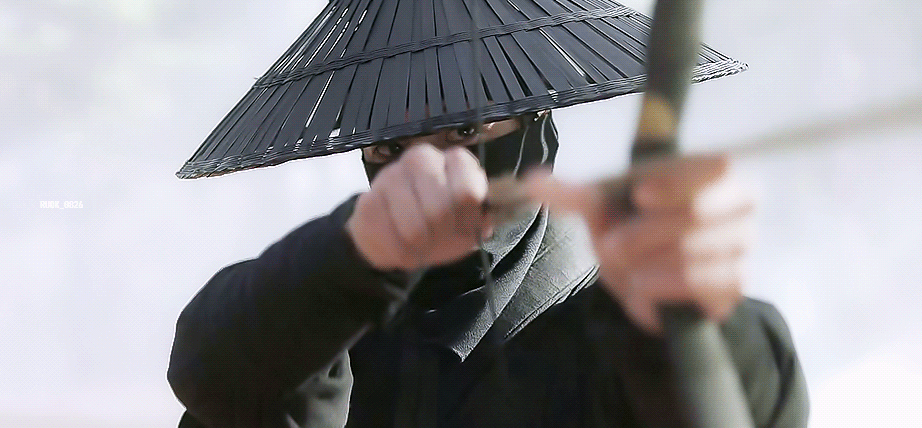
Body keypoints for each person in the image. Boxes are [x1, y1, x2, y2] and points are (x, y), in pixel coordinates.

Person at [168, 110, 808, 427]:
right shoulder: (329, 319)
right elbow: (215, 374)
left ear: (538, 133)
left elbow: (740, 400)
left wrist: (688, 318)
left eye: (464, 132)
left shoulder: (614, 329)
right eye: (390, 147)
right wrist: (354, 253)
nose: (429, 171)